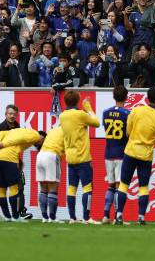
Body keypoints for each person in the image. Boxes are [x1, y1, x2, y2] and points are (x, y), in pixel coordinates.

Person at [116, 86, 155, 225]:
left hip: (131, 151)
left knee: (124, 184)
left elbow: (128, 131)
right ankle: (141, 217)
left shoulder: (136, 110)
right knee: (143, 186)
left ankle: (119, 215)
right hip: (146, 155)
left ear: (147, 97)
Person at [60, 90, 100, 223]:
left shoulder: (62, 116)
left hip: (70, 158)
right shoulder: (81, 115)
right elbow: (96, 122)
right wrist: (87, 107)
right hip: (83, 157)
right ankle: (86, 218)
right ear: (77, 100)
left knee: (72, 187)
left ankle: (72, 218)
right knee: (87, 187)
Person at [0, 126, 45, 222]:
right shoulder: (35, 135)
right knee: (14, 188)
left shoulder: (13, 131)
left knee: (1, 189)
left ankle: (7, 216)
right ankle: (15, 217)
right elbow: (20, 139)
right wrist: (3, 144)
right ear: (42, 138)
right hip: (9, 157)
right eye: (42, 142)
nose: (39, 144)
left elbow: (0, 132)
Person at [101, 85, 130, 224]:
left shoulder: (105, 112)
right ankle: (118, 216)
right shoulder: (128, 114)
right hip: (121, 153)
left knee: (110, 185)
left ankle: (105, 215)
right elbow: (128, 134)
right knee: (120, 186)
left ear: (113, 96)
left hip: (108, 153)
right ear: (126, 97)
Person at [36, 125, 65, 223]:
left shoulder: (53, 130)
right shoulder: (69, 130)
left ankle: (45, 217)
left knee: (43, 189)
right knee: (53, 188)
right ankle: (52, 218)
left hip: (40, 155)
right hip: (52, 155)